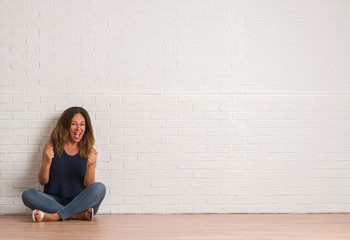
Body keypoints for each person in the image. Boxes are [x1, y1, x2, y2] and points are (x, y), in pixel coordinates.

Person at [22, 107, 106, 222]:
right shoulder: (51, 146)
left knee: (99, 188)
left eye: (82, 124)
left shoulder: (90, 151)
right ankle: (76, 215)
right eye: (74, 124)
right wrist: (47, 163)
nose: (78, 128)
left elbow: (89, 186)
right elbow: (43, 181)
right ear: (66, 126)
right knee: (28, 194)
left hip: (80, 202)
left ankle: (56, 216)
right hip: (53, 200)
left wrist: (90, 167)